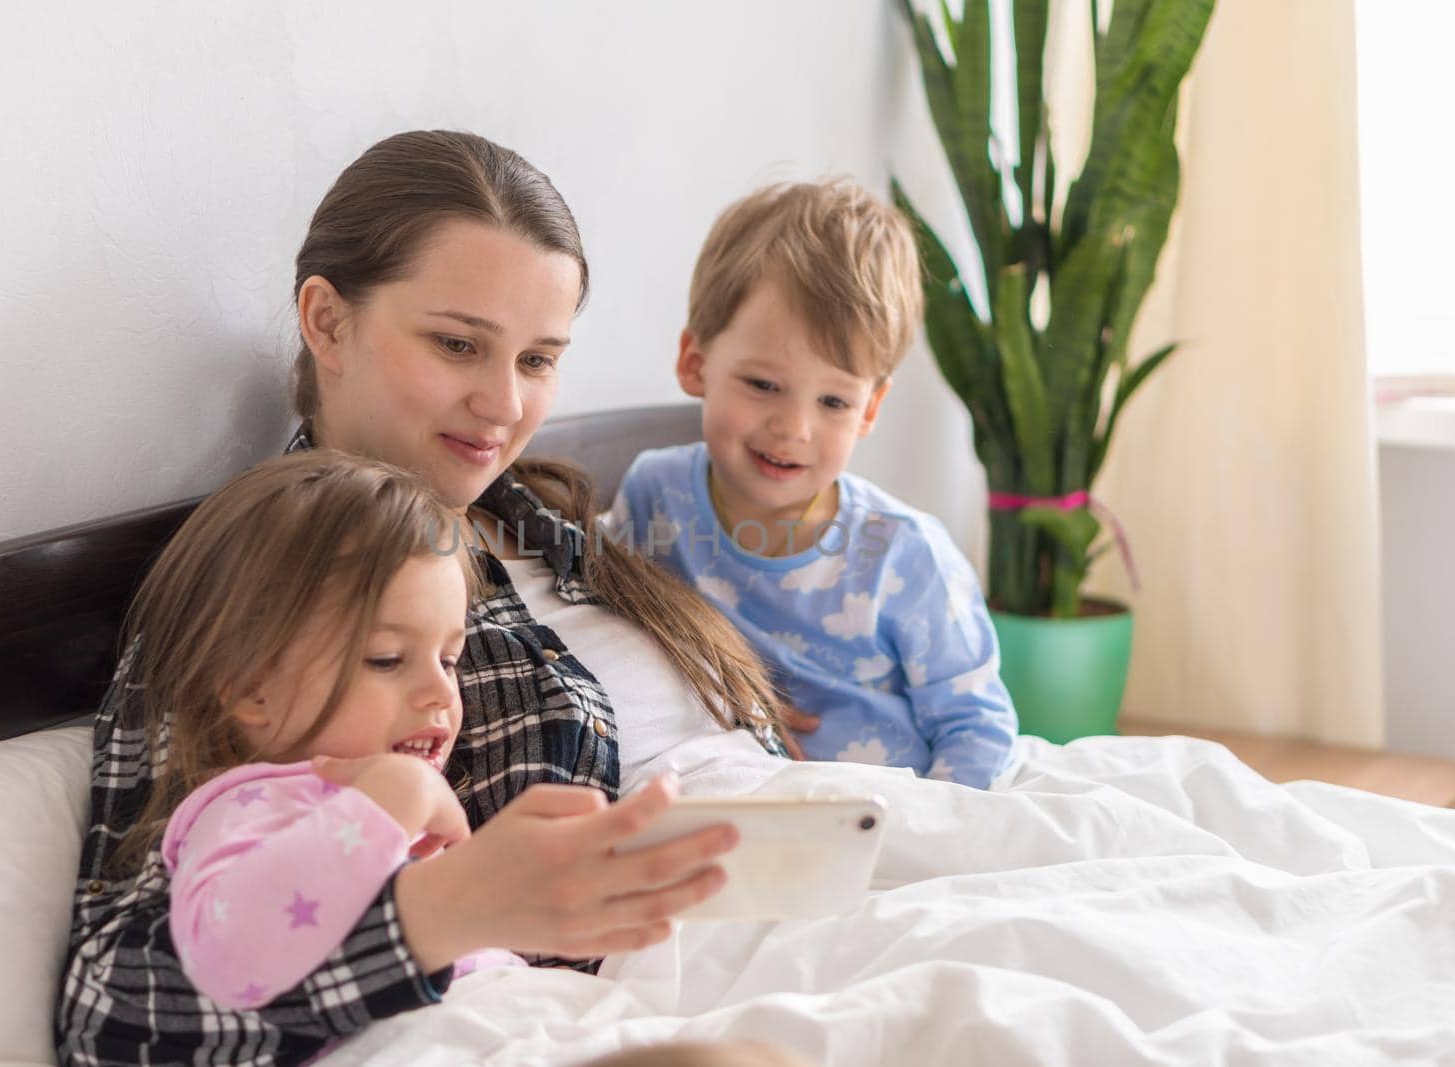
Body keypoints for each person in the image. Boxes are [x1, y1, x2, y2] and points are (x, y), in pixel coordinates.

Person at [59, 130, 791, 1067]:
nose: (502, 405)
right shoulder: (276, 592)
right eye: (457, 344)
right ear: (326, 322)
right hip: (617, 996)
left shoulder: (544, 523)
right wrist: (447, 909)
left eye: (536, 360)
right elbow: (111, 1008)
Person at [608, 179, 1017, 788]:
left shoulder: (906, 555)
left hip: (889, 814)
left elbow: (976, 729)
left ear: (870, 410)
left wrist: (929, 840)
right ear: (696, 364)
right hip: (738, 804)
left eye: (833, 400)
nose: (793, 428)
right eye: (763, 385)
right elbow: (617, 632)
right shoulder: (654, 495)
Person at [111, 452, 525, 1026]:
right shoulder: (247, 809)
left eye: (450, 659)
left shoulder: (404, 816)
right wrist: (392, 800)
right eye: (386, 659)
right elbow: (228, 959)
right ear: (253, 688)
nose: (440, 691)